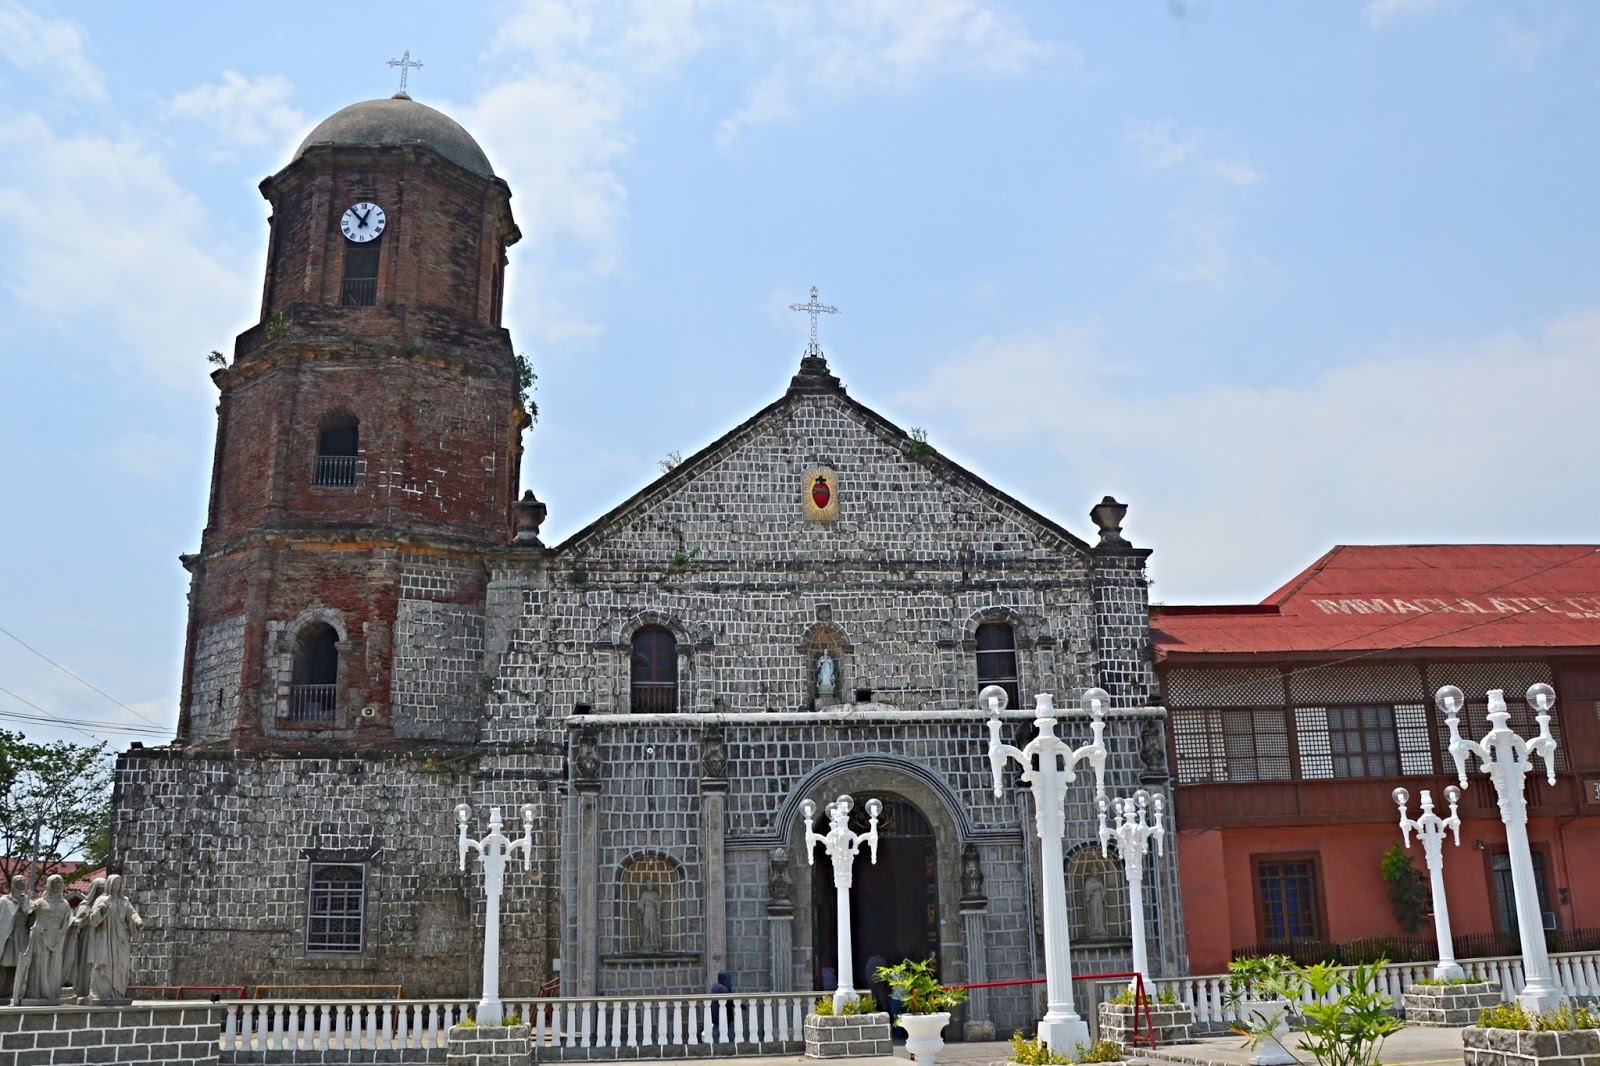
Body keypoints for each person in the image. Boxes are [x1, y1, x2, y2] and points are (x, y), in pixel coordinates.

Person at [87, 874, 143, 1005]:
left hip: (121, 937)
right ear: (109, 885)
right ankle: (101, 993)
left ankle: (118, 992)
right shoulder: (102, 900)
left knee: (121, 964)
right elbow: (93, 919)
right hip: (106, 936)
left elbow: (132, 913)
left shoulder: (125, 901)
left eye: (119, 883)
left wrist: (137, 921)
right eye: (115, 883)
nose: (117, 886)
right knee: (104, 964)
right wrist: (102, 909)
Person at [14, 875, 70, 1004]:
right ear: (49, 885)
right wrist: (28, 899)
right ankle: (35, 992)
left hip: (57, 939)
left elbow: (67, 920)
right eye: (54, 883)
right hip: (40, 937)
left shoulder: (65, 904)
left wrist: (62, 931)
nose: (57, 886)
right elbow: (27, 911)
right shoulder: (40, 902)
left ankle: (51, 993)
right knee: (39, 966)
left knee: (54, 967)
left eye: (59, 883)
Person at [62, 877, 105, 1000]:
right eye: (100, 890)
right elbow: (78, 922)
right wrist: (87, 919)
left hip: (101, 938)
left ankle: (99, 991)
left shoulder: (106, 904)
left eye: (104, 889)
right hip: (87, 938)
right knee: (86, 965)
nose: (102, 893)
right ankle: (83, 990)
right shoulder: (85, 905)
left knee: (99, 965)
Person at [0, 875, 32, 1003]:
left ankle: (16, 991)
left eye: (23, 882)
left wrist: (29, 909)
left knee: (20, 965)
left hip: (23, 935)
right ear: (13, 884)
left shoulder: (27, 900)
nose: (21, 884)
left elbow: (33, 916)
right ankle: (2, 991)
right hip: (8, 936)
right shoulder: (4, 901)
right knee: (5, 965)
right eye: (18, 882)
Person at [709, 970, 733, 1040]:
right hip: (724, 1017)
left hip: (715, 1017)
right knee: (729, 1036)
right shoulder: (724, 989)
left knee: (716, 1035)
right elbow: (730, 1001)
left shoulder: (714, 988)